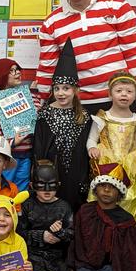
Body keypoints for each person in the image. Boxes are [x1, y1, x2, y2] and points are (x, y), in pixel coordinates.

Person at [87, 71, 136, 220]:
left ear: (135, 95)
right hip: (108, 165)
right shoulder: (102, 117)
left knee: (128, 201)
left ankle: (125, 233)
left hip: (130, 167)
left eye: (129, 91)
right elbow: (92, 139)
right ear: (110, 94)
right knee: (105, 203)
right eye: (119, 91)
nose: (124, 95)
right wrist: (92, 148)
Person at [67, 163, 136, 271]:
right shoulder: (85, 211)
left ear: (119, 193)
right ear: (95, 189)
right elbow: (76, 240)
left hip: (112, 265)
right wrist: (73, 265)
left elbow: (130, 254)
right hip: (87, 262)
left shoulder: (127, 219)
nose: (106, 190)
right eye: (102, 186)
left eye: (112, 187)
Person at [33, 39, 92, 211]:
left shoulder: (84, 116)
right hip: (50, 173)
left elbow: (86, 149)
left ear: (75, 91)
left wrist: (84, 178)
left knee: (74, 208)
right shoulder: (44, 114)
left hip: (76, 174)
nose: (61, 93)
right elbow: (38, 147)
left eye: (66, 88)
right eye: (57, 88)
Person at [0, 58, 42, 191]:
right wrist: (12, 141)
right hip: (6, 157)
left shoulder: (28, 95)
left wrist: (32, 95)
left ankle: (19, 211)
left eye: (17, 69)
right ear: (2, 76)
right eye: (11, 71)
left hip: (27, 154)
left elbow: (38, 117)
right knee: (4, 188)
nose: (17, 73)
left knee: (22, 188)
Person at [17, 161, 74, 271]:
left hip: (55, 256)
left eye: (52, 185)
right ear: (32, 185)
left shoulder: (64, 207)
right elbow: (19, 232)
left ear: (58, 185)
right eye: (41, 185)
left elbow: (72, 233)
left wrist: (60, 233)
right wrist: (41, 236)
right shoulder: (27, 205)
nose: (47, 190)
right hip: (32, 255)